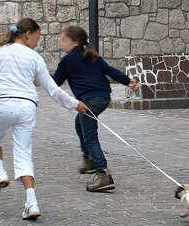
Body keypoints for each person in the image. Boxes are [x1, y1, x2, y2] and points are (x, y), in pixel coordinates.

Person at [0, 18, 87, 220]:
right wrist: (75, 104)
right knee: (23, 155)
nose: (37, 43)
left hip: (3, 103)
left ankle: (0, 172)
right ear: (27, 34)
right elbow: (53, 89)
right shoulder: (35, 58)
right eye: (37, 38)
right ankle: (32, 203)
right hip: (27, 107)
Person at [53, 26, 138, 192]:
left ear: (75, 42)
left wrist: (37, 76)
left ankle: (103, 174)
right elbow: (110, 71)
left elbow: (55, 83)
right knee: (79, 124)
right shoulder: (92, 57)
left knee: (90, 136)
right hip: (103, 98)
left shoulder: (68, 61)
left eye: (63, 39)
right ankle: (90, 160)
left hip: (89, 101)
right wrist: (128, 81)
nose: (60, 42)